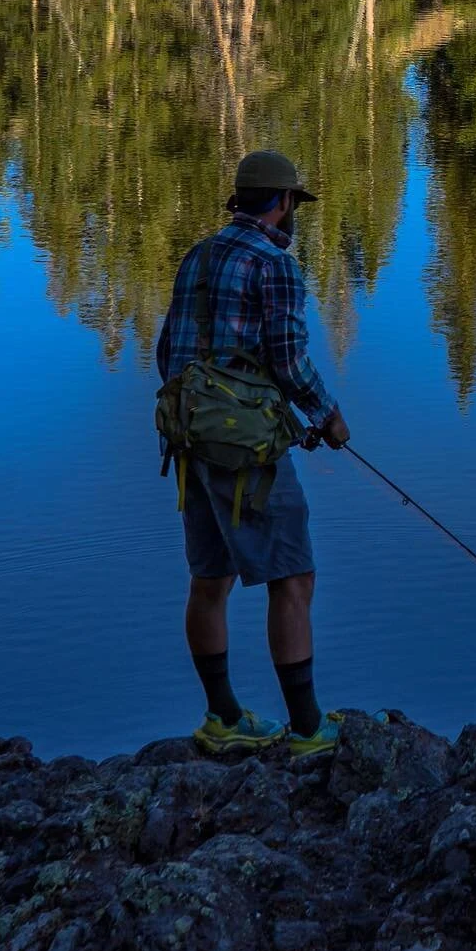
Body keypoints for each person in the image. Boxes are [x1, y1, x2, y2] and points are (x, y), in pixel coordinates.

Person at [156, 149, 350, 758]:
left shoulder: (199, 255)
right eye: (295, 203)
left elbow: (170, 352)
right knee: (293, 577)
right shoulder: (275, 264)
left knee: (207, 580)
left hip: (189, 439)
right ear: (283, 203)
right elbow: (288, 361)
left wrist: (230, 411)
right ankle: (308, 730)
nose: (295, 216)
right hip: (246, 454)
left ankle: (223, 718)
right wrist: (327, 416)